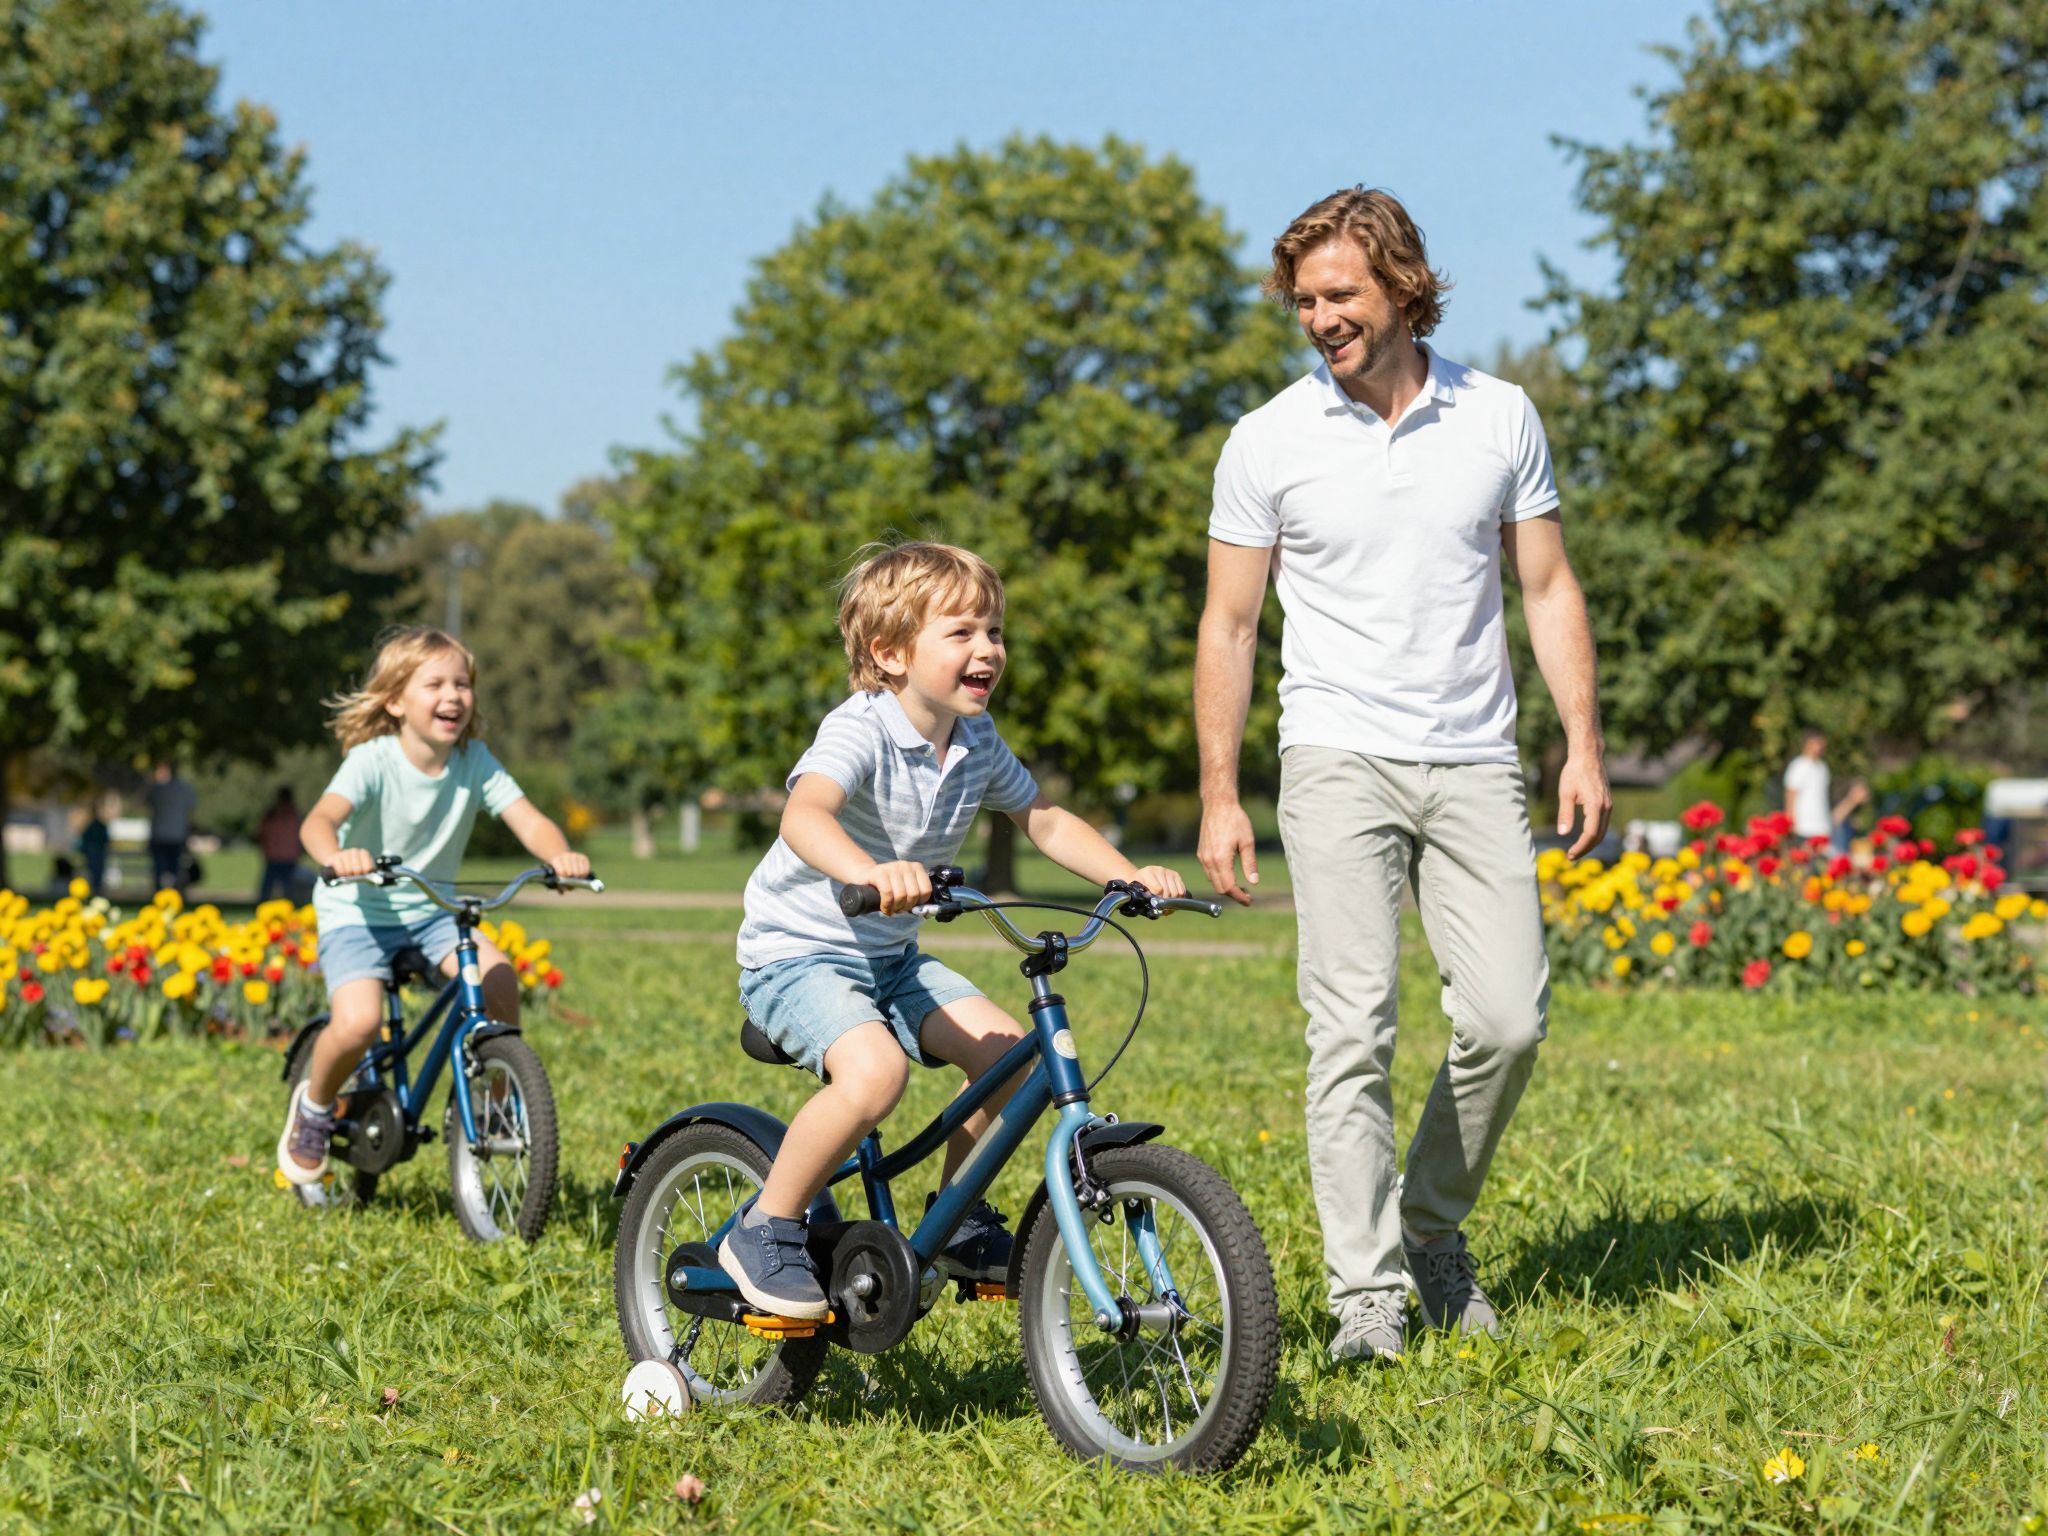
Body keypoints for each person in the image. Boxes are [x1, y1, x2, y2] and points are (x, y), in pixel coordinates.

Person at [1194, 187, 1611, 1364]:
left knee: (1506, 1019)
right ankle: (1365, 1293)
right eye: (1303, 300)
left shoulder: (1498, 417)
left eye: (1340, 295)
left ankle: (1428, 1228)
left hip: (1474, 754)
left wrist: (1581, 741)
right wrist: (1219, 793)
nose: (1318, 317)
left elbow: (1544, 587)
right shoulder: (1267, 439)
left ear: (1402, 287)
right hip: (1332, 754)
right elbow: (1228, 625)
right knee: (1350, 1029)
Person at [721, 541, 1190, 1319]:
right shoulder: (861, 728)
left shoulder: (975, 741)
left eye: (995, 632)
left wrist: (1128, 873)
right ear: (891, 653)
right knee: (875, 1077)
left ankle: (961, 1217)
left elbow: (1041, 817)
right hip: (799, 954)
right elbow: (805, 813)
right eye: (963, 632)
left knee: (1007, 1058)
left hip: (889, 956)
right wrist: (866, 873)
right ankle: (766, 1225)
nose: (988, 650)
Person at [276, 626, 590, 1187]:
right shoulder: (372, 760)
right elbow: (318, 820)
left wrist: (561, 855)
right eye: (436, 684)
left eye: (463, 684)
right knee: (359, 1022)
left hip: (429, 908)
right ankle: (316, 1108)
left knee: (498, 978)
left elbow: (529, 819)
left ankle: (497, 1102)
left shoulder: (475, 761)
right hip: (357, 909)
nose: (454, 696)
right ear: (395, 701)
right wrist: (336, 855)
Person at [1783, 730, 1867, 851]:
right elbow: (1791, 795)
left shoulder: (1822, 768)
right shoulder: (1798, 766)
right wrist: (1790, 822)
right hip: (1803, 827)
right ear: (1808, 744)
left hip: (1822, 827)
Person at [145, 762, 197, 893]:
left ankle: (161, 895)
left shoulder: (157, 789)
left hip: (161, 835)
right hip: (176, 835)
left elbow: (146, 801)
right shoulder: (185, 789)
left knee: (160, 870)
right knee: (175, 870)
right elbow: (190, 811)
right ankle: (175, 894)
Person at [256, 787, 304, 904]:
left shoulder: (271, 815)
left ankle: (262, 907)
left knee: (268, 889)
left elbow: (262, 834)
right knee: (288, 890)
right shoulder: (295, 815)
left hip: (275, 855)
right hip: (288, 856)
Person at [76, 801, 110, 894]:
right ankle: (95, 889)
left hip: (96, 853)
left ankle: (96, 890)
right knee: (94, 872)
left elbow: (104, 839)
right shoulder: (94, 826)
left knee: (96, 872)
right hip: (95, 853)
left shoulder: (96, 826)